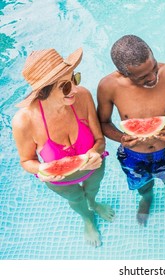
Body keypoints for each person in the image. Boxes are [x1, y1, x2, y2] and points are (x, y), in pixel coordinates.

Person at [12, 48, 115, 248]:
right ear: (44, 91)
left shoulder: (82, 96)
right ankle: (87, 219)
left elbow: (99, 139)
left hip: (94, 167)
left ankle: (93, 203)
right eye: (65, 86)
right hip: (62, 182)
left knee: (92, 190)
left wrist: (95, 152)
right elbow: (26, 161)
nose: (74, 89)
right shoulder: (24, 121)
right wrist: (41, 169)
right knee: (76, 200)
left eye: (74, 79)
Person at [97, 35, 165, 227]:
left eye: (154, 68)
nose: (152, 78)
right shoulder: (108, 86)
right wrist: (122, 138)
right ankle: (146, 199)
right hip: (133, 155)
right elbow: (103, 122)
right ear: (123, 73)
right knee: (143, 186)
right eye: (142, 77)